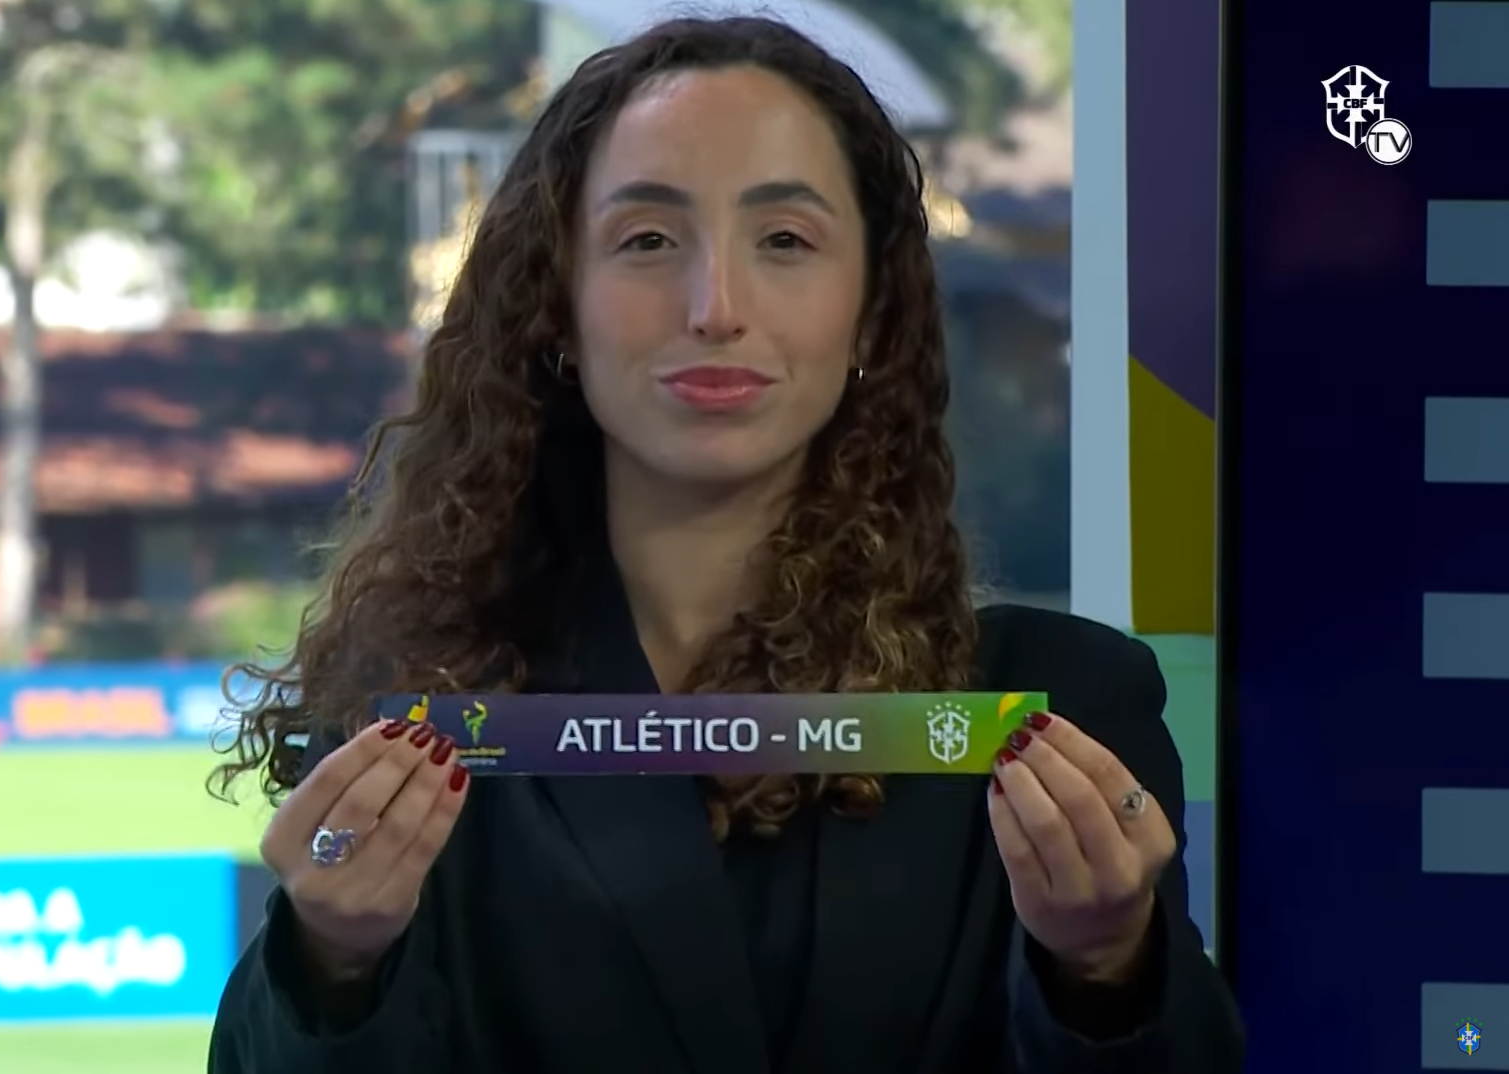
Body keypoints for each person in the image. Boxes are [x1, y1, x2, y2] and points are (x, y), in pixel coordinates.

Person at [206, 15, 1244, 1074]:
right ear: (556, 305)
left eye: (785, 240)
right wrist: (330, 966)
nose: (717, 307)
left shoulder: (1055, 718)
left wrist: (1110, 969)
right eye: (648, 240)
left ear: (874, 316)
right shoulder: (419, 723)